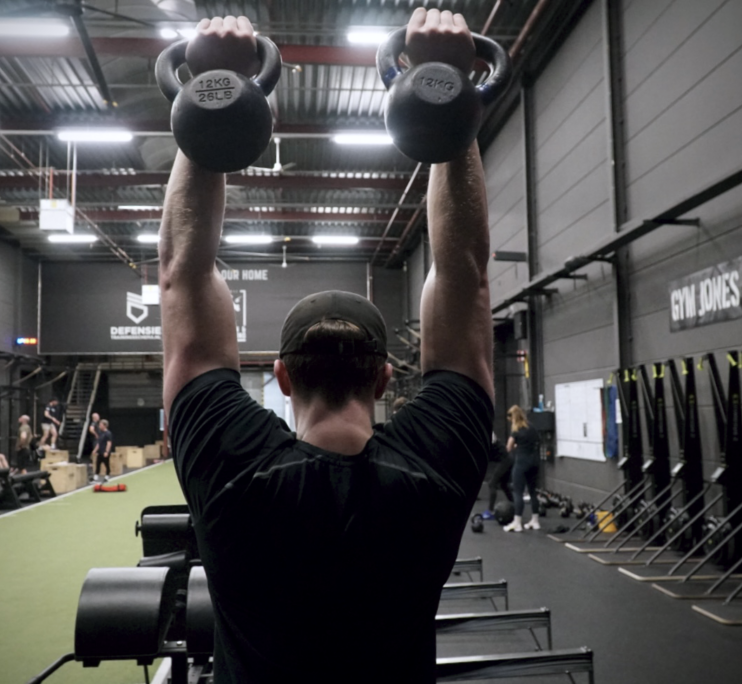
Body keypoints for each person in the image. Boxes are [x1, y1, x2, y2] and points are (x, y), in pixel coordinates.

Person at [160, 10, 494, 682]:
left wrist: (214, 89)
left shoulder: (235, 476)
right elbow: (464, 275)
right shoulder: (431, 474)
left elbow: (182, 274)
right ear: (382, 378)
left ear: (282, 377)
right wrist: (445, 96)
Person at [503, 405, 542, 532]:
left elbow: (508, 447)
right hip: (534, 463)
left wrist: (516, 446)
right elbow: (538, 441)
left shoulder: (516, 429)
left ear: (513, 417)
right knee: (532, 492)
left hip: (521, 463)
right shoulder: (532, 427)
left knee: (518, 492)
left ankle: (517, 522)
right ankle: (535, 521)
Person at [481, 432, 514, 520]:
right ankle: (516, 506)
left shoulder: (489, 435)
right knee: (504, 485)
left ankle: (490, 511)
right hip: (506, 460)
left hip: (505, 461)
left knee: (492, 483)